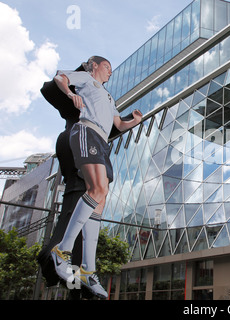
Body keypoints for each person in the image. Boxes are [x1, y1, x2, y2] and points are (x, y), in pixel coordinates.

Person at [50, 56, 142, 299]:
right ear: (95, 66)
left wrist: (134, 121)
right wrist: (71, 94)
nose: (110, 72)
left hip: (102, 141)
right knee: (96, 190)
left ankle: (88, 270)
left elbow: (118, 125)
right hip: (86, 131)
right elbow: (60, 78)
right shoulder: (87, 80)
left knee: (100, 202)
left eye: (112, 69)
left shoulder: (109, 97)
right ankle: (62, 250)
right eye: (107, 67)